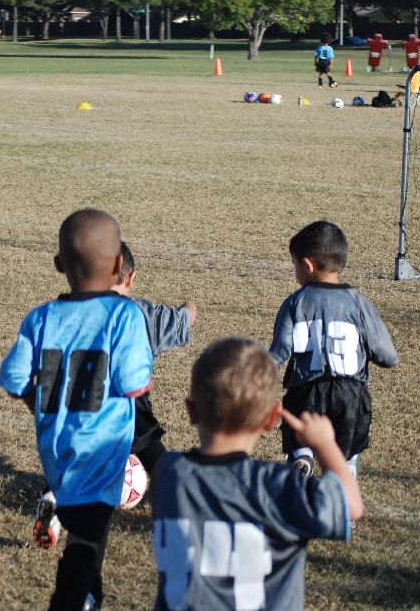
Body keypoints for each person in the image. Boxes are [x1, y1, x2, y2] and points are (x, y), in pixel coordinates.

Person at [0, 209, 154, 611]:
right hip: (102, 449)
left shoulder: (41, 317)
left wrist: (39, 404)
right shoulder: (125, 315)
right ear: (119, 266)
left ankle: (87, 596)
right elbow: (135, 383)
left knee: (85, 527)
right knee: (87, 539)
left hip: (56, 448)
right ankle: (72, 600)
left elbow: (14, 378)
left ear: (58, 265)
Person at [151, 337, 363, 611]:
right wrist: (324, 445)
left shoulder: (168, 473)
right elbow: (351, 506)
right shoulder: (277, 486)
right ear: (271, 419)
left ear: (191, 411)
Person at [32, 240, 197, 550]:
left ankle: (52, 499)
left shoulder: (62, 312)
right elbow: (184, 319)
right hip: (128, 410)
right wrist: (189, 307)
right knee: (156, 460)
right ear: (130, 277)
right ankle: (181, 510)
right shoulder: (143, 314)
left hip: (78, 408)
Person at [268, 221, 398, 482]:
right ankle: (345, 480)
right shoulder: (358, 302)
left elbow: (279, 352)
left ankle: (301, 455)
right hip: (350, 394)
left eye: (294, 264)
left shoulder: (295, 302)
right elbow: (387, 356)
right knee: (345, 452)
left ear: (307, 266)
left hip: (306, 392)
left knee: (298, 436)